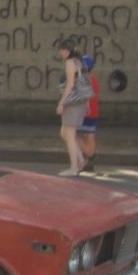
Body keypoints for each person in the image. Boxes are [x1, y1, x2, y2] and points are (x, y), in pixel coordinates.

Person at [55, 39, 88, 176]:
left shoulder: (69, 63)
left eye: (61, 50)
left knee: (68, 134)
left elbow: (70, 85)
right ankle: (80, 160)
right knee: (65, 133)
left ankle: (74, 168)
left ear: (66, 50)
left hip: (72, 103)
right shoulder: (79, 62)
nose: (59, 53)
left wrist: (61, 103)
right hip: (80, 101)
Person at [77, 54, 100, 174]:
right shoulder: (94, 79)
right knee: (90, 136)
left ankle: (87, 157)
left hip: (84, 113)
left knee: (75, 136)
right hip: (94, 112)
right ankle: (90, 160)